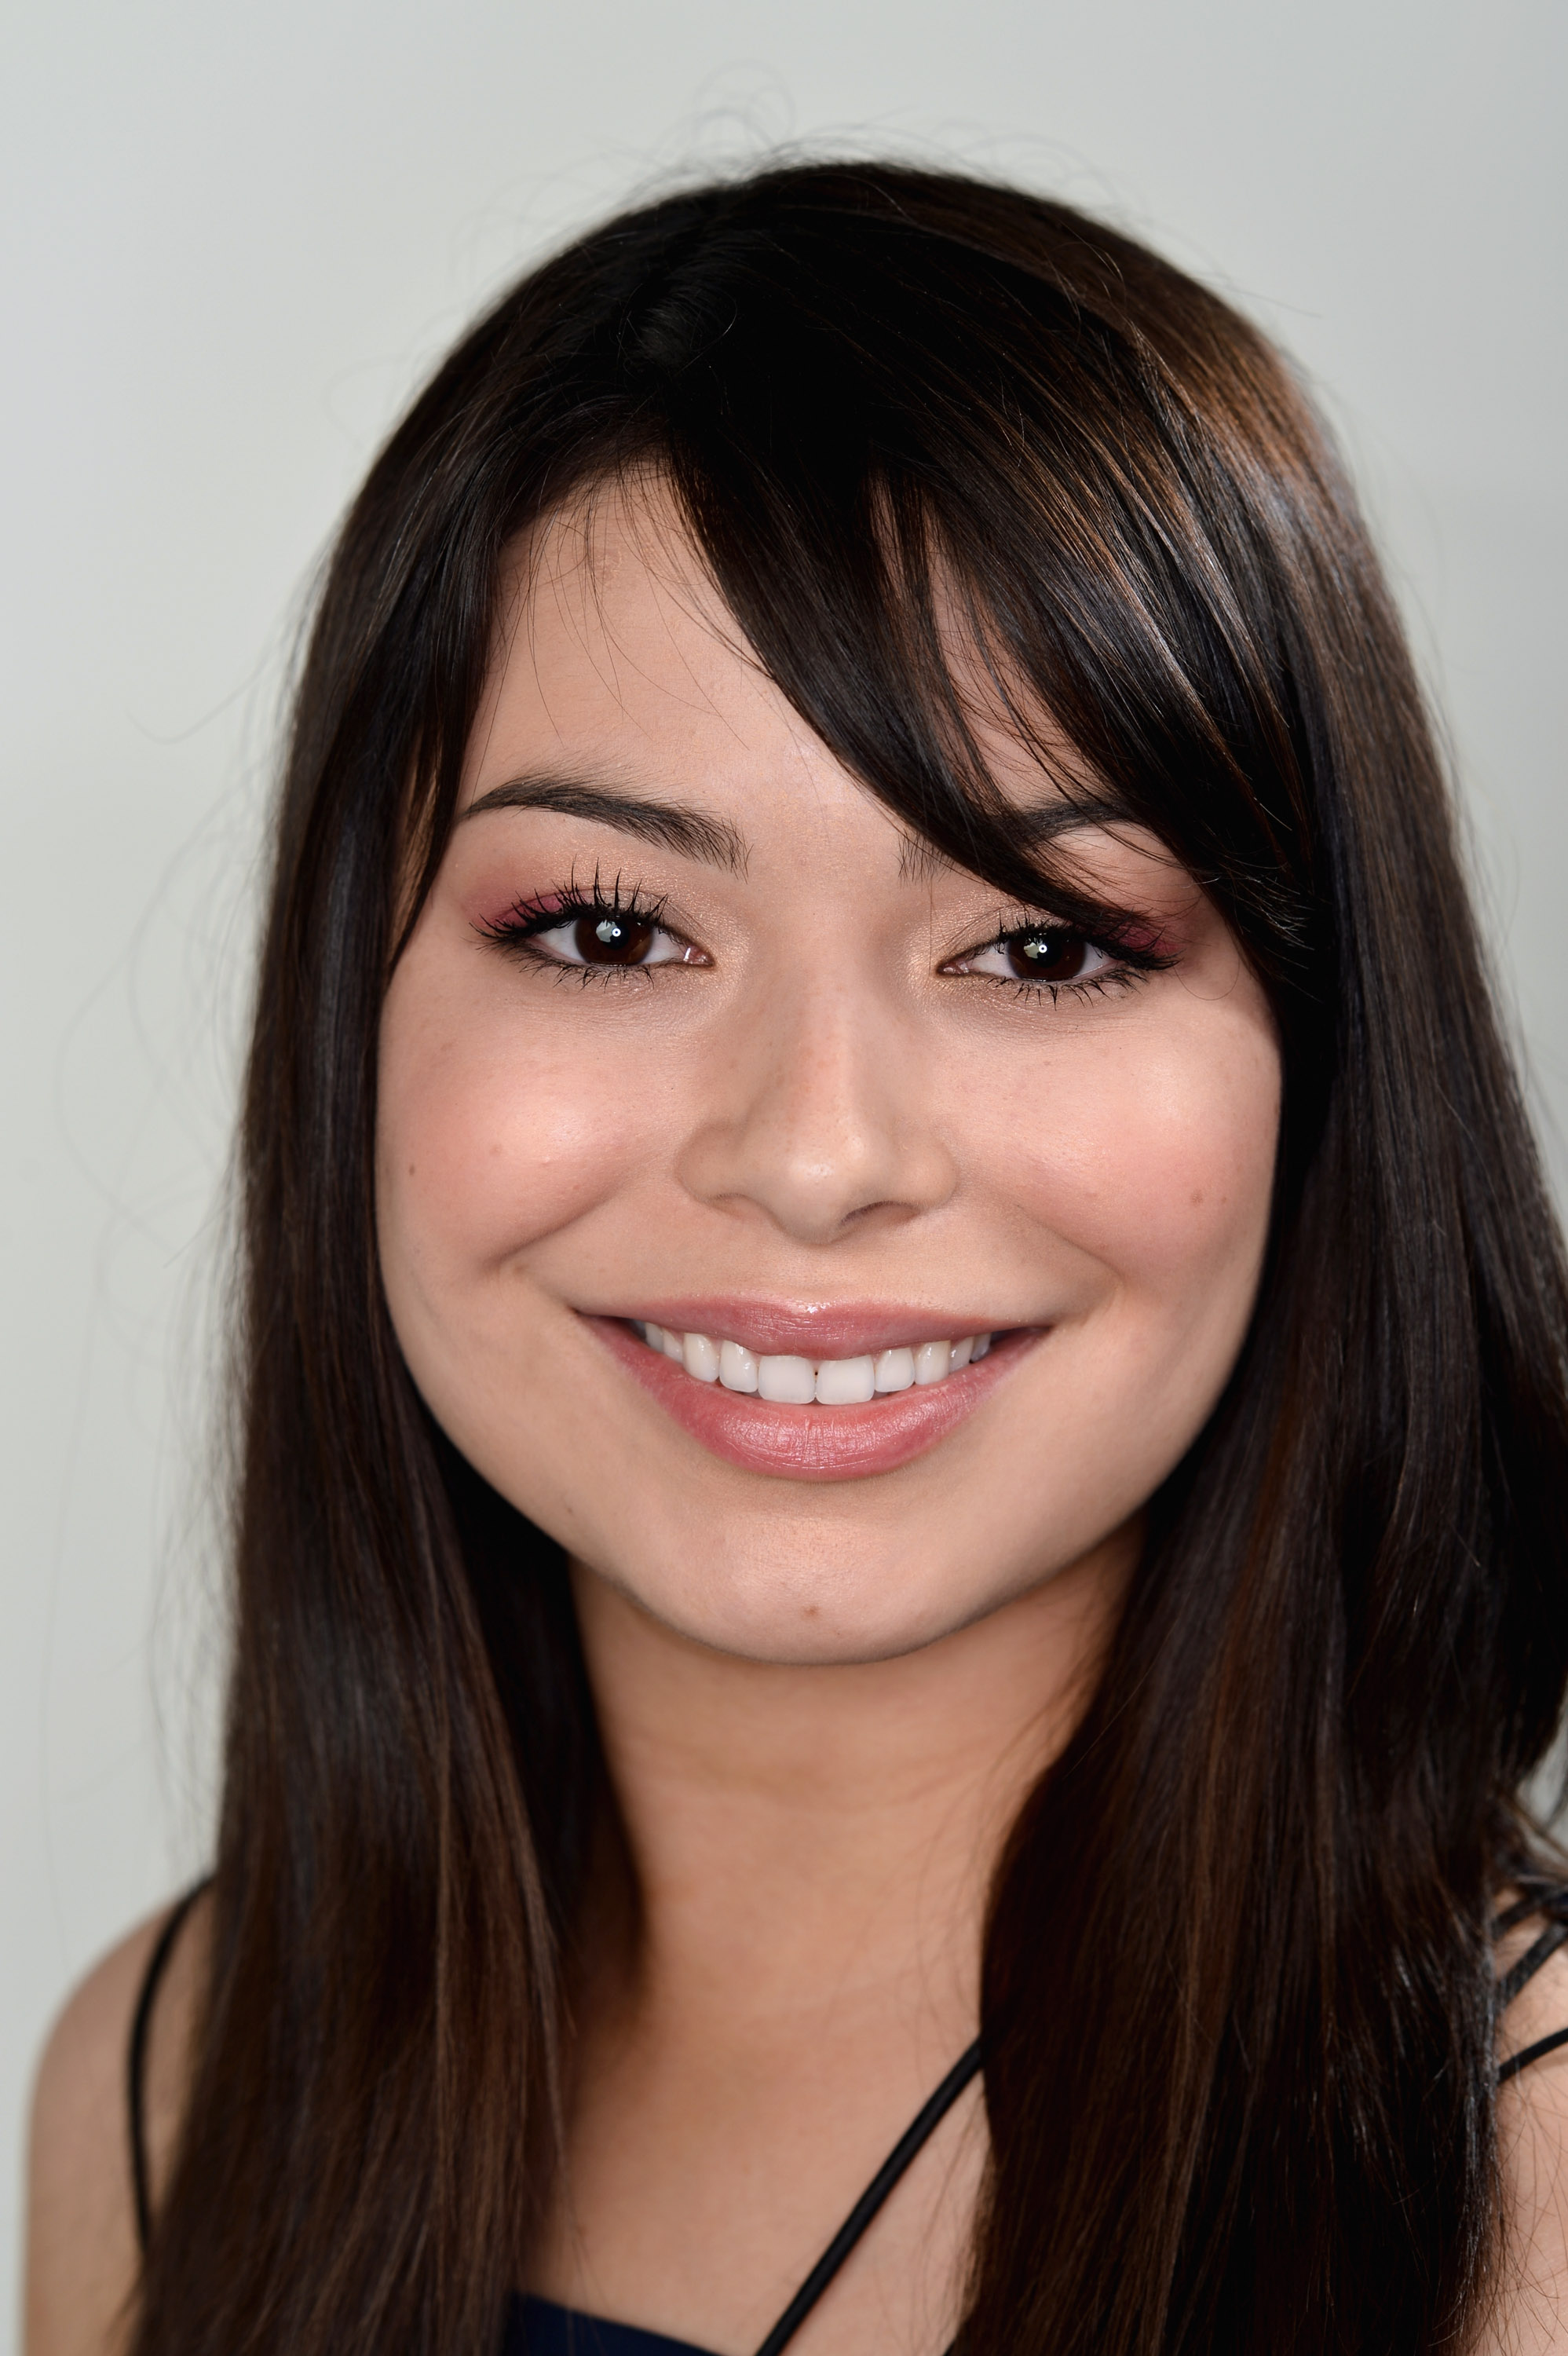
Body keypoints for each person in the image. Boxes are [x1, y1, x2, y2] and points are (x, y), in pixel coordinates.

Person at [24, 159, 1568, 2356]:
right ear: (349, 1023)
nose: (818, 1157)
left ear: (1326, 1071)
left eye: (1043, 944)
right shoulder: (165, 2088)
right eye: (608, 931)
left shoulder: (1530, 2199)